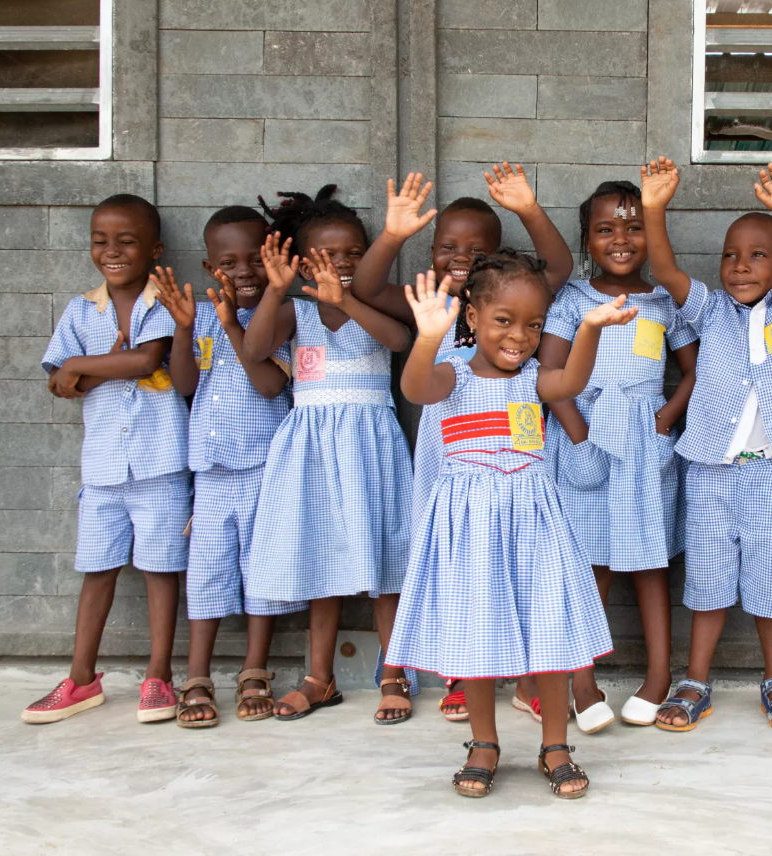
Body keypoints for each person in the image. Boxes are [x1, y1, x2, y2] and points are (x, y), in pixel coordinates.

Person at [386, 254, 635, 798]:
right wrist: (427, 337)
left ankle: (555, 746)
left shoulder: (535, 380)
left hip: (533, 520)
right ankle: (484, 744)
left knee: (548, 633)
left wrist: (589, 328)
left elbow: (573, 376)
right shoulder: (449, 372)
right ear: (471, 316)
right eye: (503, 320)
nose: (519, 336)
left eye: (534, 324)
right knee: (479, 637)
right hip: (470, 526)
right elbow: (415, 389)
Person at [350, 165, 572, 722]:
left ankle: (527, 675)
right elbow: (367, 288)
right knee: (458, 561)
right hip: (449, 459)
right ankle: (458, 672)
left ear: (500, 257)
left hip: (515, 459)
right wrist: (393, 233)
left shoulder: (511, 307)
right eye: (447, 245)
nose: (460, 256)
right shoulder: (435, 306)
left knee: (519, 563)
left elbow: (560, 268)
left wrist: (528, 207)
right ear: (430, 250)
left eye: (477, 248)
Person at [641, 158, 772, 732]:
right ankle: (696, 682)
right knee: (706, 580)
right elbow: (664, 266)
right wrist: (654, 207)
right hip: (710, 472)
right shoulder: (709, 311)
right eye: (731, 254)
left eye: (757, 256)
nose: (740, 265)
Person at [241, 186, 415, 724]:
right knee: (321, 560)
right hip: (312, 451)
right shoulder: (294, 313)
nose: (339, 265)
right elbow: (254, 350)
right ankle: (321, 677)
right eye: (326, 255)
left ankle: (394, 671)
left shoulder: (371, 305)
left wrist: (347, 302)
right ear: (297, 262)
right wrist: (274, 291)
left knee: (385, 562)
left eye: (352, 255)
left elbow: (399, 340)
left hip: (371, 447)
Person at [537, 179, 699, 730]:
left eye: (634, 227)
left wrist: (664, 418)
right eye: (606, 229)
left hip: (644, 441)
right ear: (587, 238)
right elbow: (548, 375)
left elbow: (696, 372)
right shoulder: (571, 301)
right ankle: (582, 682)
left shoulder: (664, 304)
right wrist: (578, 432)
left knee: (650, 564)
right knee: (590, 565)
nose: (621, 239)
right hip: (585, 433)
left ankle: (658, 677)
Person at [24, 195, 189, 725]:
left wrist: (80, 364)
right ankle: (80, 679)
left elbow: (147, 358)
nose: (111, 251)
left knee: (160, 570)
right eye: (101, 240)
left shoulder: (164, 300)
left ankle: (158, 676)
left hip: (160, 465)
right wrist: (84, 370)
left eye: (127, 241)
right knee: (97, 570)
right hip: (102, 469)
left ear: (155, 249)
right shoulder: (80, 309)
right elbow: (58, 385)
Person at [151, 207, 300, 727]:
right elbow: (187, 386)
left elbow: (268, 384)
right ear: (208, 264)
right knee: (208, 573)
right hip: (211, 472)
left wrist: (233, 323)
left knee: (262, 573)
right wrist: (184, 328)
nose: (243, 273)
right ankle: (197, 675)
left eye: (254, 260)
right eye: (227, 262)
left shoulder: (281, 313)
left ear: (274, 256)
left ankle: (255, 671)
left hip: (264, 467)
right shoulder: (202, 313)